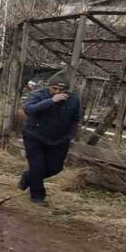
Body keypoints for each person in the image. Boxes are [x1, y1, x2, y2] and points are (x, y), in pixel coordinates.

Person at [19, 73, 81, 205]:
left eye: (61, 90)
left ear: (67, 90)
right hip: (34, 135)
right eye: (54, 89)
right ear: (49, 86)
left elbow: (75, 120)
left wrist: (70, 136)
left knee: (55, 168)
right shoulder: (38, 95)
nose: (57, 92)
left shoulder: (74, 99)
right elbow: (29, 109)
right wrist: (51, 101)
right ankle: (37, 197)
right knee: (37, 166)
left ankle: (27, 177)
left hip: (59, 139)